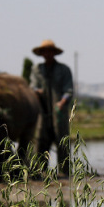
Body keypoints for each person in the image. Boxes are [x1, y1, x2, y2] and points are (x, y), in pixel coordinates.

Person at [29, 39, 74, 176]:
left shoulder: (64, 69)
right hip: (42, 112)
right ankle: (39, 173)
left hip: (59, 112)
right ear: (41, 53)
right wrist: (36, 91)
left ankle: (65, 173)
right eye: (45, 51)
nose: (47, 54)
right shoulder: (37, 69)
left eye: (50, 51)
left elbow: (69, 90)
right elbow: (33, 85)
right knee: (40, 142)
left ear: (54, 53)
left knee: (62, 142)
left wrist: (62, 102)